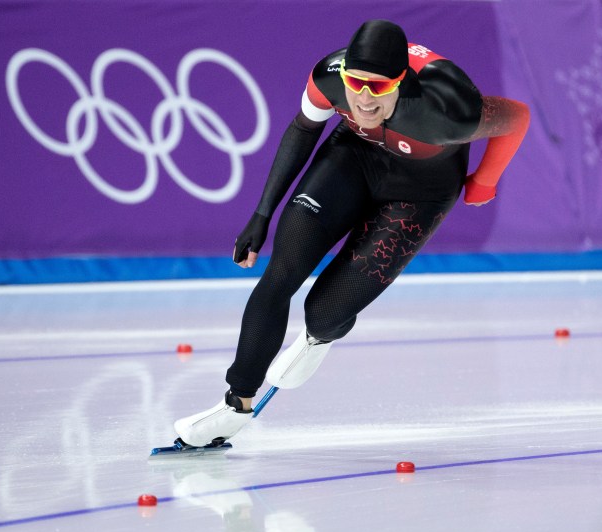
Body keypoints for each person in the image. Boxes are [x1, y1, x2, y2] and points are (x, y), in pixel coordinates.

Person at [173, 19, 530, 447]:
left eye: (378, 88)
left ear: (402, 81)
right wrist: (261, 214)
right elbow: (303, 130)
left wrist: (483, 183)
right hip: (353, 158)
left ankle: (318, 337)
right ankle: (236, 405)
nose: (363, 98)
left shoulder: (446, 111)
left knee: (324, 311)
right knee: (281, 273)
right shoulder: (330, 75)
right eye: (356, 83)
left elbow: (518, 118)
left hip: (419, 194)